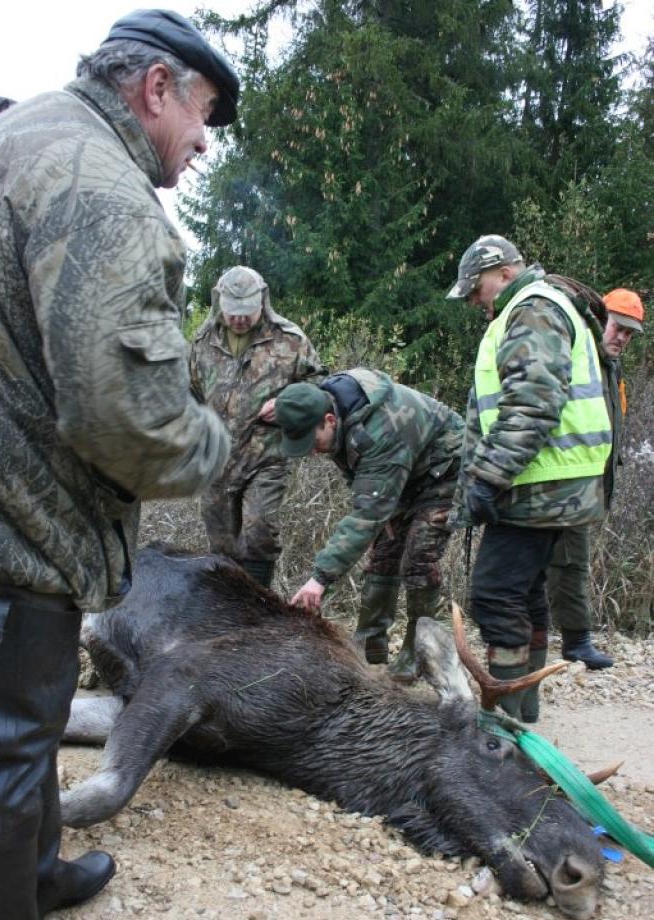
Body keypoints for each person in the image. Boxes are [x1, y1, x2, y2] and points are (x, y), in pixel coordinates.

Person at [0, 9, 239, 920]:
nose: (204, 141)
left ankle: (29, 877)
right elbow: (128, 420)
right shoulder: (105, 194)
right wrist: (211, 440)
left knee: (21, 719)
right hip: (9, 520)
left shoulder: (12, 134)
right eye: (203, 114)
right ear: (156, 88)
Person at [446, 236, 612, 722]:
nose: (476, 301)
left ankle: (502, 720)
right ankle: (525, 711)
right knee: (525, 592)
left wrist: (488, 478)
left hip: (539, 486)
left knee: (495, 594)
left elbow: (533, 403)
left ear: (499, 272)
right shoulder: (546, 305)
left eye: (475, 290)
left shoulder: (531, 309)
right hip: (561, 486)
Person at [274, 368, 464, 682]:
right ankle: (370, 643)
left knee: (418, 559)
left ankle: (420, 653)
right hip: (404, 472)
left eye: (312, 440)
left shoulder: (379, 430)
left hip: (444, 471)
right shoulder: (327, 404)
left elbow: (366, 516)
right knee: (384, 554)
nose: (310, 450)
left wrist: (319, 579)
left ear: (330, 421)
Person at [190, 266, 324, 587]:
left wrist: (287, 405)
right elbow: (188, 392)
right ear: (218, 302)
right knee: (221, 542)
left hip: (267, 456)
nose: (239, 319)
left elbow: (320, 386)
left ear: (261, 301)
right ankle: (225, 612)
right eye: (232, 312)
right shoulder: (202, 341)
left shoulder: (290, 339)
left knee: (258, 531)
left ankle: (257, 607)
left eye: (246, 312)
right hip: (216, 459)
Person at [547, 287, 646, 669]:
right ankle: (569, 642)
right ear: (601, 319)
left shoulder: (609, 365)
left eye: (629, 333)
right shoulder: (576, 355)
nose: (621, 337)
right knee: (560, 561)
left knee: (571, 560)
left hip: (587, 482)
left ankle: (574, 641)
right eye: (618, 327)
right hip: (560, 478)